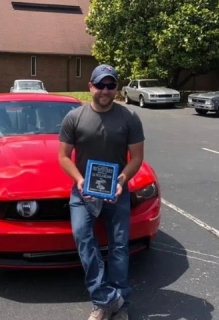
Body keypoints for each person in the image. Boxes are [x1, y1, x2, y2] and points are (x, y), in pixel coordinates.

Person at [58, 64, 145, 320]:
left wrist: (121, 179)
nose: (105, 91)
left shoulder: (129, 117)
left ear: (116, 87)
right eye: (100, 85)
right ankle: (106, 299)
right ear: (90, 86)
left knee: (118, 248)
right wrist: (79, 180)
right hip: (83, 193)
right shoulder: (74, 117)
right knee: (83, 239)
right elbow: (63, 157)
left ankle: (121, 306)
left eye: (110, 85)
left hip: (117, 192)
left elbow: (137, 158)